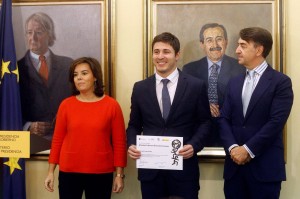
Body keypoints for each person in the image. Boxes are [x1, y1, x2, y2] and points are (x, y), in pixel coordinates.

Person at [127, 32, 211, 199]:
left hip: (184, 171)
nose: (160, 56)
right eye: (156, 51)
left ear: (177, 55)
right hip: (151, 173)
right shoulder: (140, 88)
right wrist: (131, 144)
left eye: (166, 51)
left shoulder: (196, 86)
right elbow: (134, 124)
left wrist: (194, 145)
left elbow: (205, 122)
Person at [218, 27, 293, 199]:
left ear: (259, 50)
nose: (237, 50)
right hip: (234, 171)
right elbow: (223, 118)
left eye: (243, 46)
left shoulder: (280, 82)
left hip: (264, 169)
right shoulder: (234, 82)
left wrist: (248, 150)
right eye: (238, 45)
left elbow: (276, 122)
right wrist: (233, 148)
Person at [44, 57, 127, 199]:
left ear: (95, 77)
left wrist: (119, 175)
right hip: (69, 172)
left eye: (84, 73)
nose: (79, 78)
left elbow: (120, 143)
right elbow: (57, 140)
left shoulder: (111, 106)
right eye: (75, 75)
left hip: (101, 173)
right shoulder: (66, 105)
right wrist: (51, 171)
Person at [183, 23, 245, 146]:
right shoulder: (189, 69)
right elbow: (185, 102)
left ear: (226, 42)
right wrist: (206, 106)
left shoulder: (241, 68)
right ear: (202, 44)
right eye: (209, 40)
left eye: (219, 39)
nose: (215, 45)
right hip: (197, 133)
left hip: (232, 133)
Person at [18, 12, 73, 141]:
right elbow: (7, 108)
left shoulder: (68, 65)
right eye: (29, 32)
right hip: (30, 142)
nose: (33, 37)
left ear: (50, 34)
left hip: (66, 138)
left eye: (38, 32)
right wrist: (28, 126)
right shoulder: (14, 70)